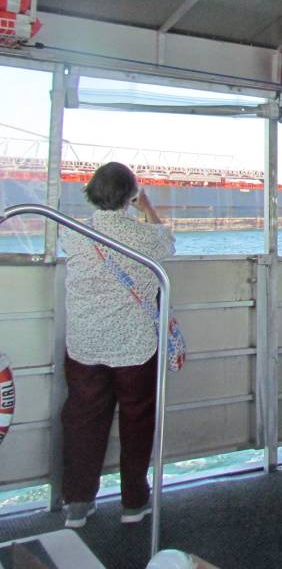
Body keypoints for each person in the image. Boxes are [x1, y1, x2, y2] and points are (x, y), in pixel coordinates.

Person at [60, 162, 175, 528]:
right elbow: (168, 242)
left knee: (82, 421)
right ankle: (133, 503)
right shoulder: (144, 238)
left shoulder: (72, 234)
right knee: (137, 421)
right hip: (134, 346)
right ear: (131, 195)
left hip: (85, 344)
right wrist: (148, 209)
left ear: (92, 191)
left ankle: (77, 503)